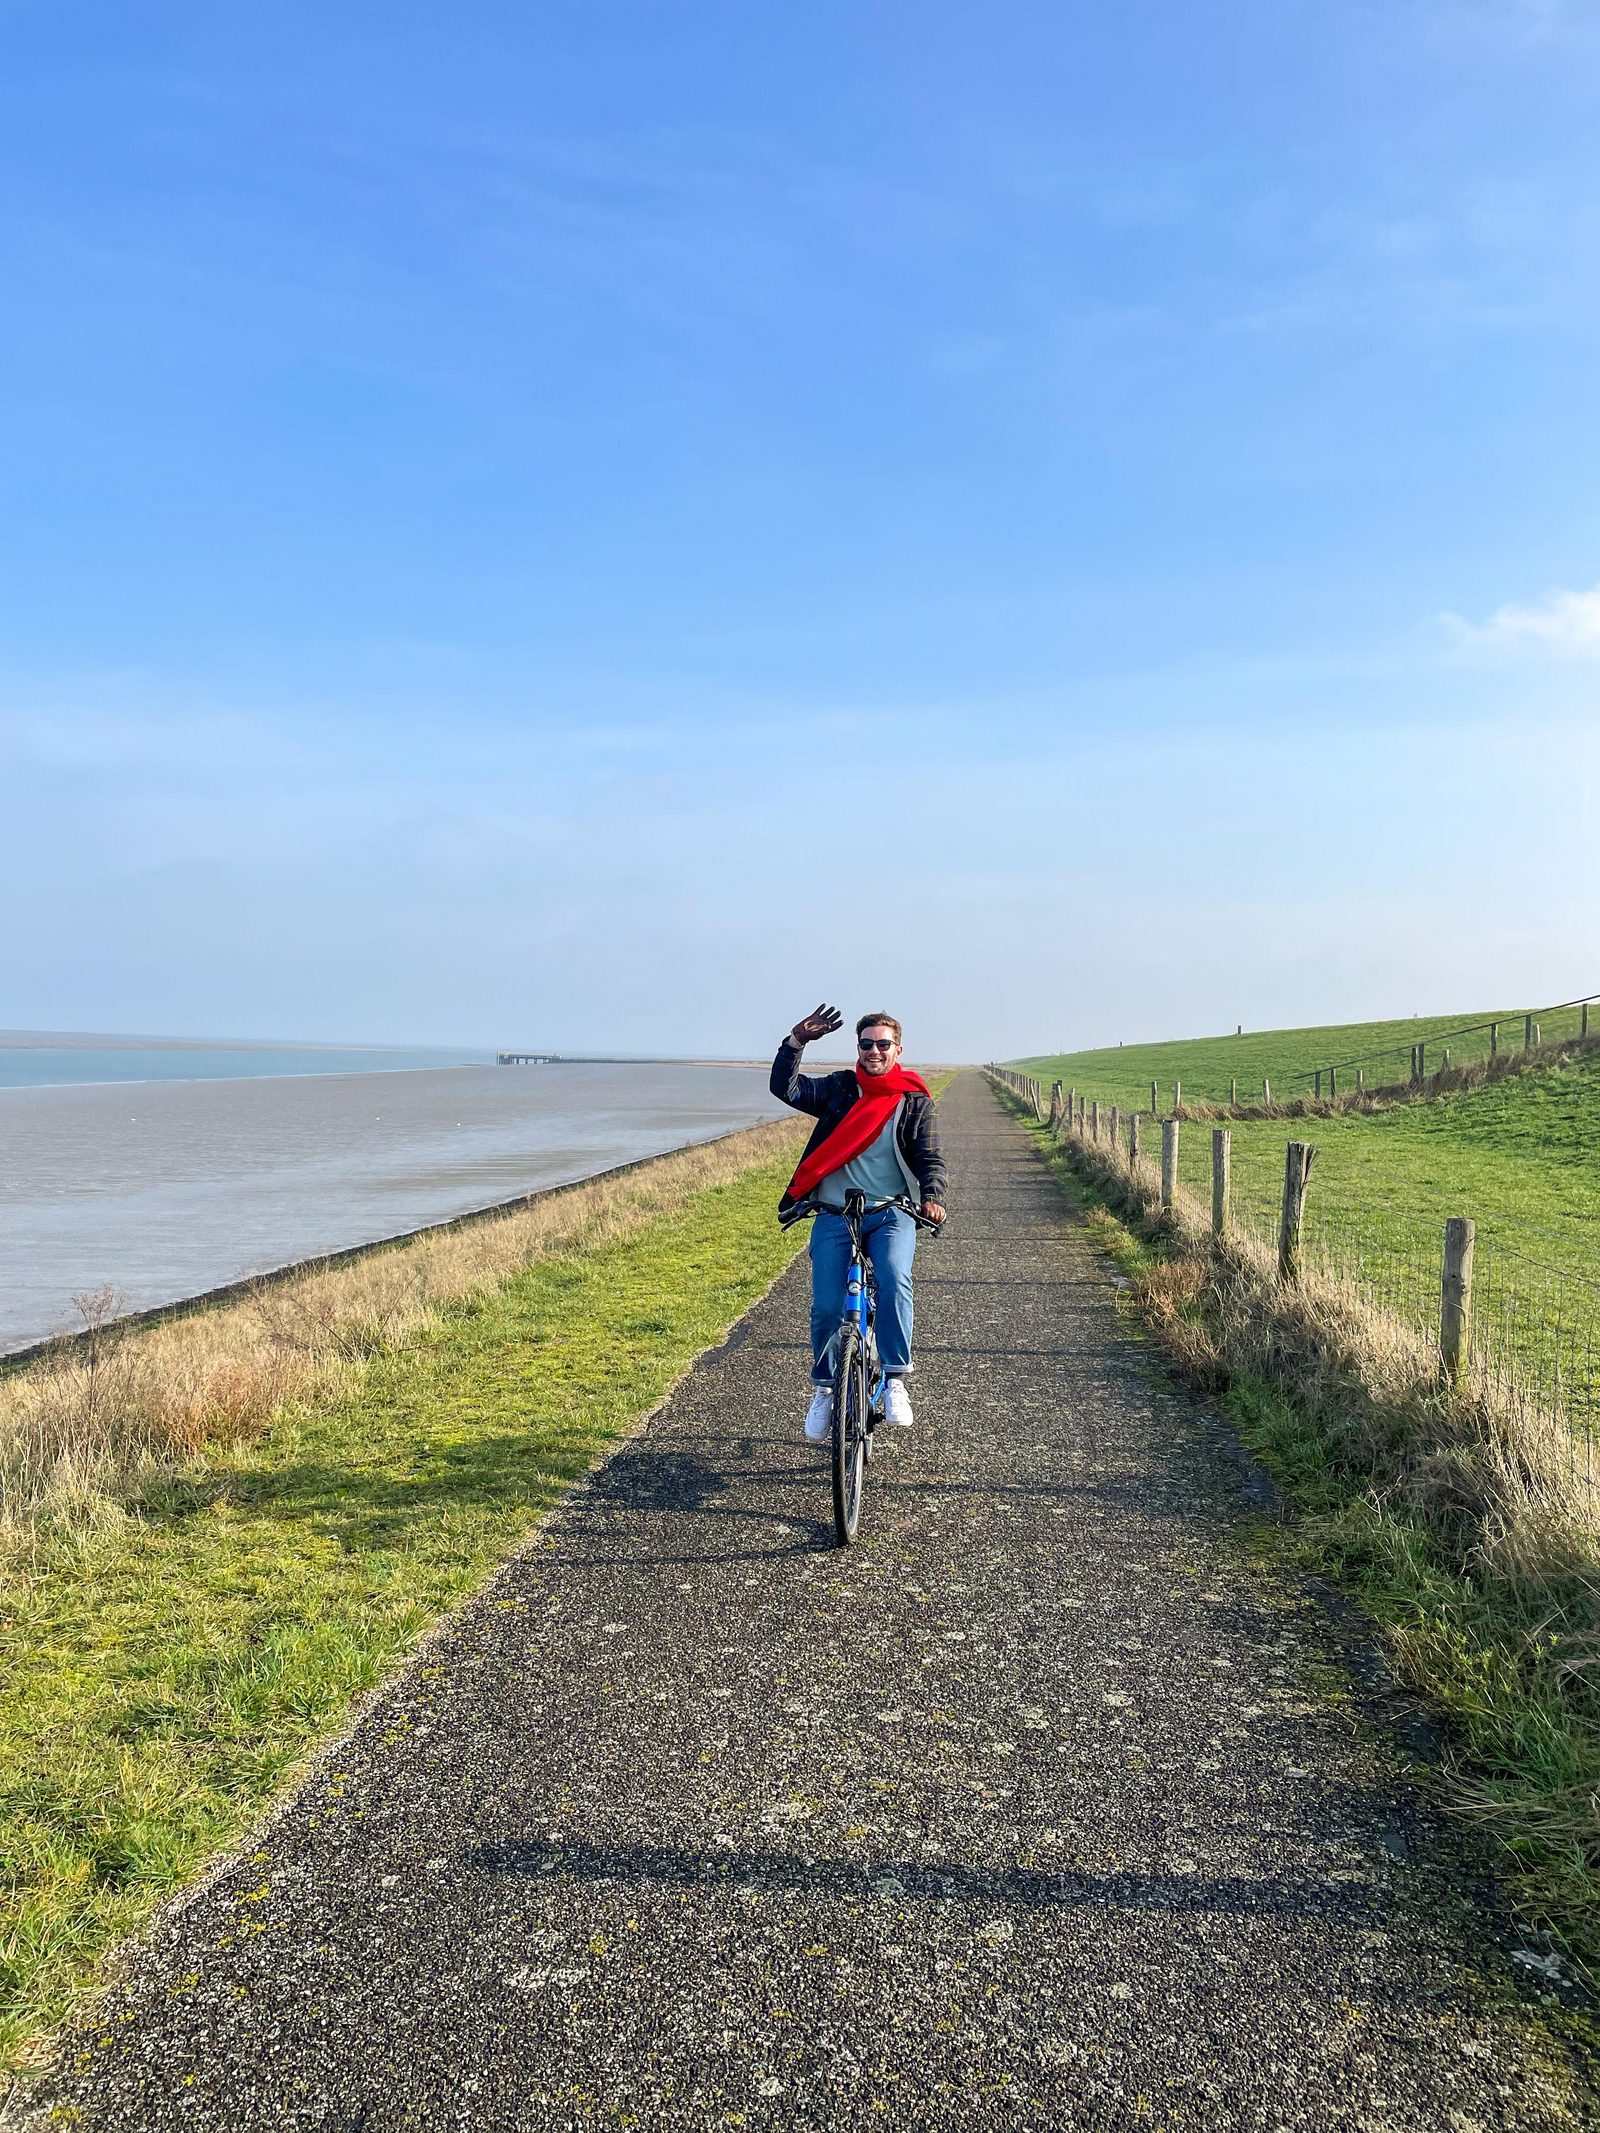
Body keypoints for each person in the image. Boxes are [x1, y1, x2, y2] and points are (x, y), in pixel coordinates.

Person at [772, 1005, 947, 1441]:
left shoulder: (914, 1100)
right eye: (866, 1044)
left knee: (893, 1277)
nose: (873, 1051)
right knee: (828, 1305)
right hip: (834, 1213)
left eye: (882, 1044)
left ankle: (893, 1378)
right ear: (858, 1047)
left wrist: (933, 1197)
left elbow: (929, 1158)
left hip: (890, 1212)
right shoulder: (840, 1088)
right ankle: (826, 1389)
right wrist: (796, 1042)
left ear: (897, 1049)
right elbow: (787, 1089)